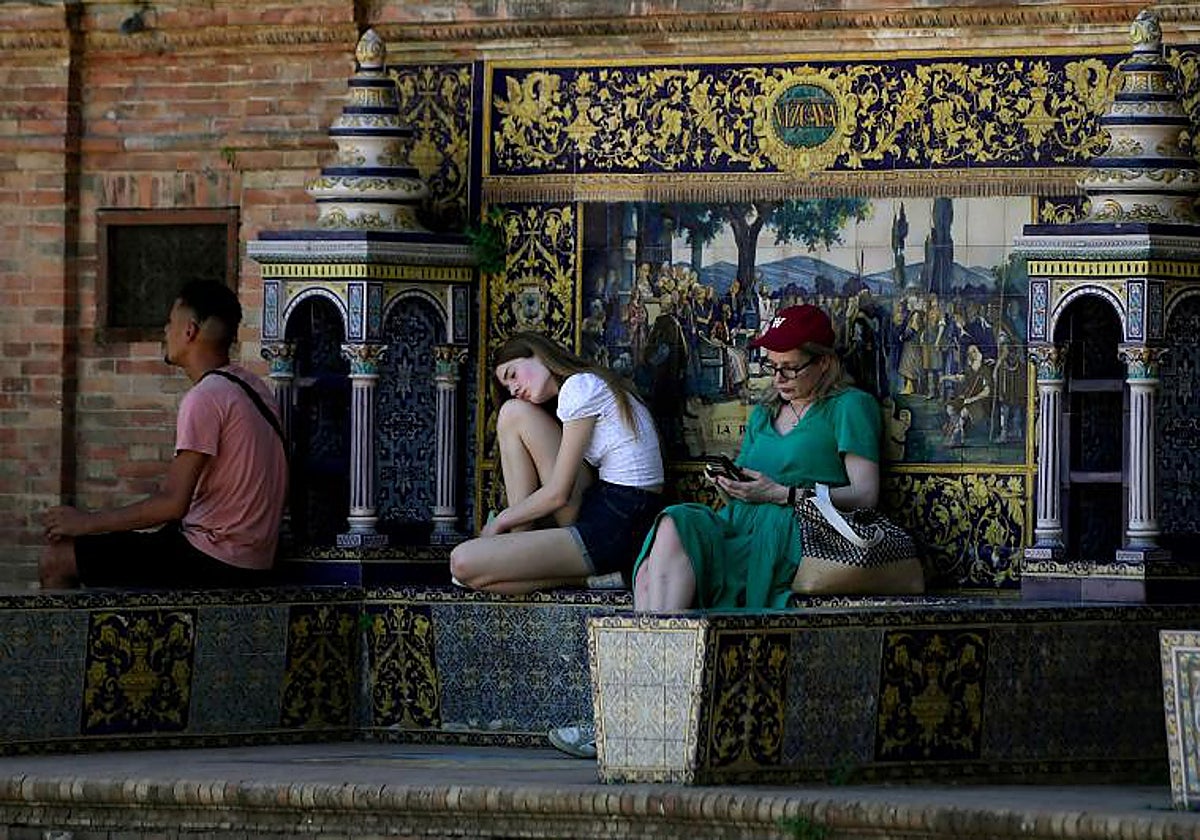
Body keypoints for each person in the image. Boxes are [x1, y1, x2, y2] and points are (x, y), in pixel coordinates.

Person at [633, 304, 883, 612]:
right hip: (740, 521)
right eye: (771, 366)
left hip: (793, 530)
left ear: (824, 363)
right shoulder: (766, 411)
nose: (778, 378)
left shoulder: (849, 406)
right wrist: (732, 484)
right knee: (671, 528)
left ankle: (662, 651)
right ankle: (661, 651)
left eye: (790, 367)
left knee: (667, 570)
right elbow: (750, 483)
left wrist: (784, 493)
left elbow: (866, 495)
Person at [40, 280, 288, 589]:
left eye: (171, 323)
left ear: (189, 331)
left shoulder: (206, 397)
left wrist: (85, 523)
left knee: (58, 559)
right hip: (253, 559)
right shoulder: (254, 387)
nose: (165, 331)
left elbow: (172, 504)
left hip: (214, 560)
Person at [449, 331, 664, 596]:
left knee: (462, 562)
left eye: (512, 375)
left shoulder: (579, 387)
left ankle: (519, 537)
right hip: (622, 513)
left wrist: (500, 522)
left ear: (537, 353)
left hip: (618, 521)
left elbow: (558, 494)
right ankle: (599, 579)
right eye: (508, 387)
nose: (514, 389)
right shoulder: (579, 390)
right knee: (480, 579)